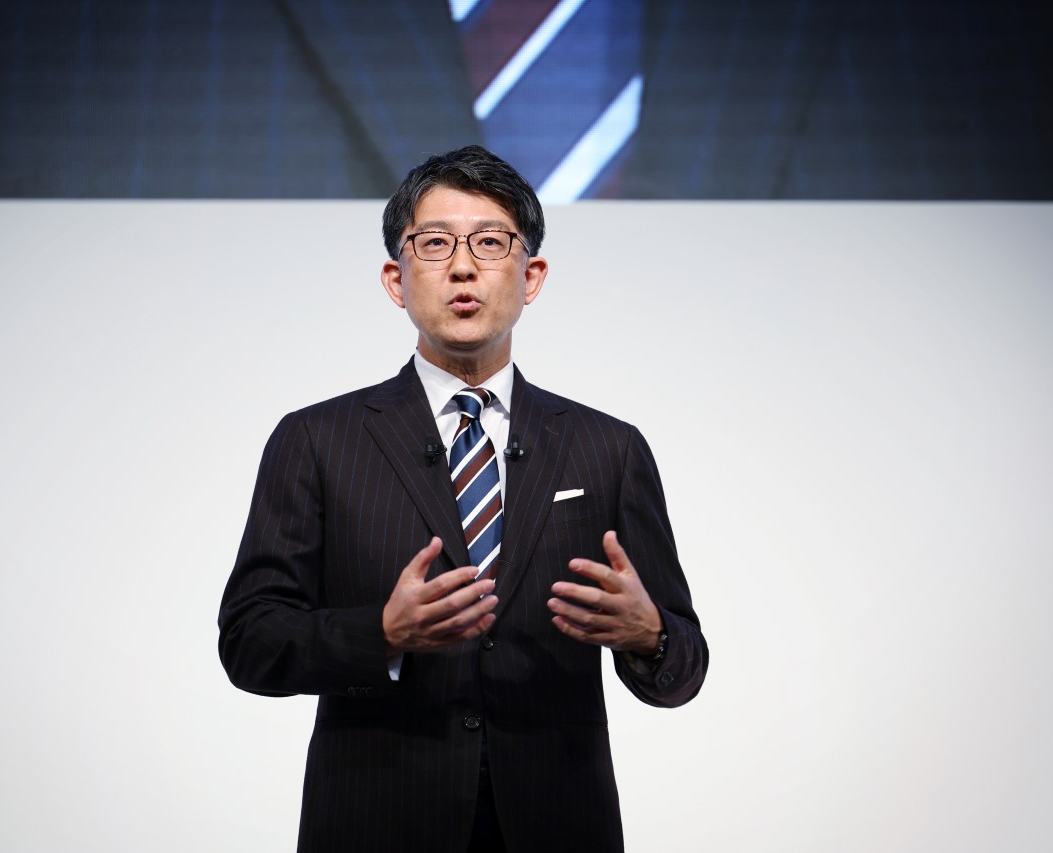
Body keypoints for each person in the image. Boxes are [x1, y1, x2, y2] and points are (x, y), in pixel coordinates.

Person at [218, 145, 708, 852]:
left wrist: (649, 635)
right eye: (435, 243)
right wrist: (381, 633)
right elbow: (249, 641)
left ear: (531, 276)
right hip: (374, 825)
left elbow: (684, 668)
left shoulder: (609, 448)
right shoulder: (317, 440)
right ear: (396, 279)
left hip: (558, 825)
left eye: (489, 242)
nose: (462, 266)